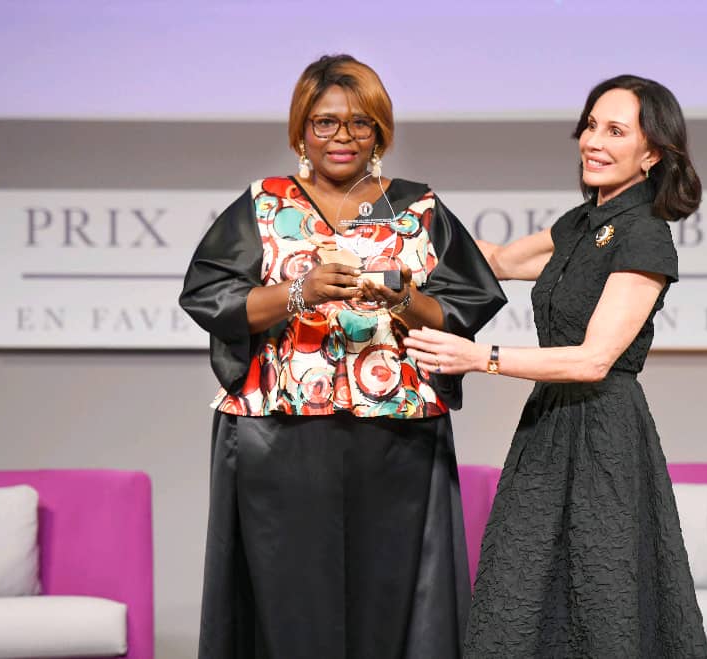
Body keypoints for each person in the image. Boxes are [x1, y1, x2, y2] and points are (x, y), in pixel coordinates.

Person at [179, 54, 505, 659]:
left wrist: (402, 297)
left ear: (379, 132)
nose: (343, 137)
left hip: (397, 434)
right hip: (278, 434)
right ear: (301, 131)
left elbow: (464, 305)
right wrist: (297, 293)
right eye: (325, 122)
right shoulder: (265, 203)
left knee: (390, 599)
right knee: (289, 602)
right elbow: (209, 296)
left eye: (360, 123)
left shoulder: (416, 208)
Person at [403, 74, 707, 658]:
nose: (593, 141)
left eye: (615, 130)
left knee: (598, 601)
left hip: (604, 436)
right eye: (591, 125)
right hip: (547, 429)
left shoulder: (646, 236)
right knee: (517, 590)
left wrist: (479, 357)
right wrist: (408, 227)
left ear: (651, 153)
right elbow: (495, 260)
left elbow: (595, 360)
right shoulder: (580, 224)